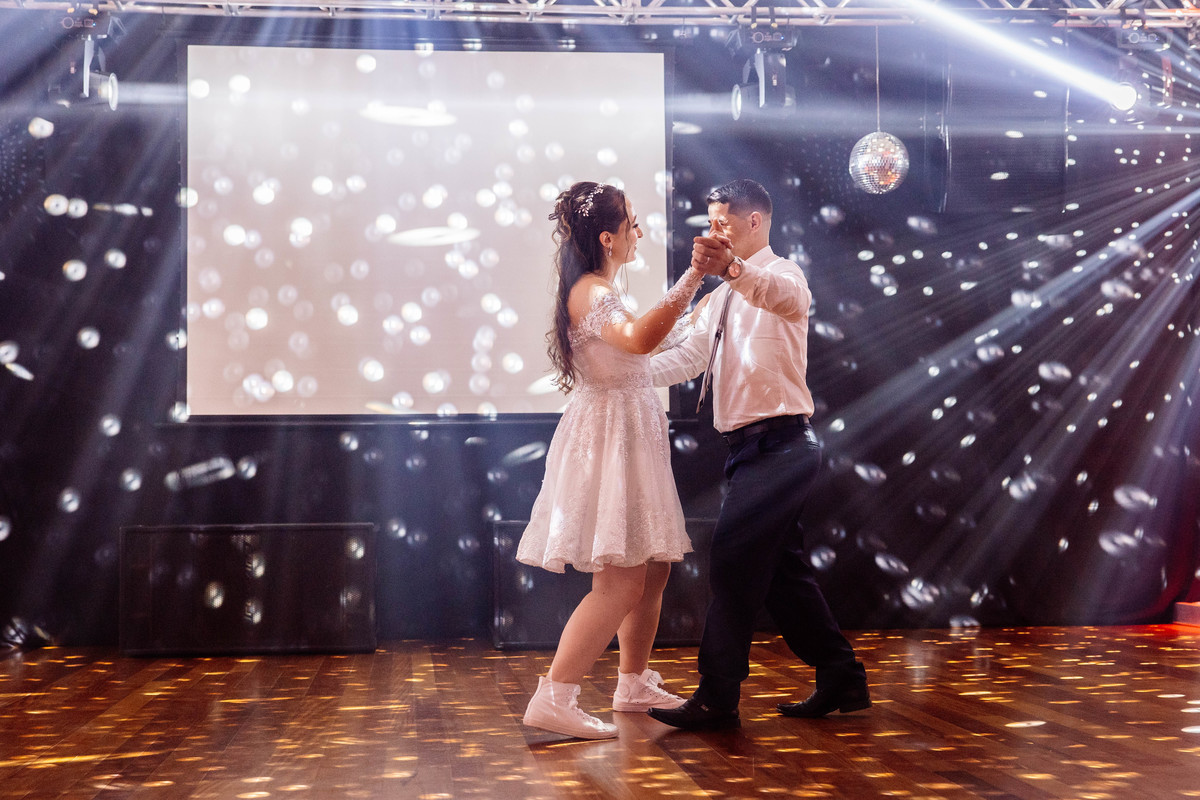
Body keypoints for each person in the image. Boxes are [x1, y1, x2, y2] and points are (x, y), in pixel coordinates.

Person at [645, 179, 869, 730]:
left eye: (722, 223)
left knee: (732, 564)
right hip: (748, 451)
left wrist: (732, 270)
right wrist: (620, 376)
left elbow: (779, 297)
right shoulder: (721, 296)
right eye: (709, 224)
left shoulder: (783, 274)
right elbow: (689, 359)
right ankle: (841, 674)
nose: (712, 233)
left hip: (782, 446)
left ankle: (717, 697)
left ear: (753, 222)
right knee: (783, 577)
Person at [517, 181, 706, 739]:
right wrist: (694, 278)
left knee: (653, 567)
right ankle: (555, 696)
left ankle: (633, 682)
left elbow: (643, 357)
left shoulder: (599, 290)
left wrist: (701, 316)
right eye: (632, 222)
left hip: (627, 436)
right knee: (620, 582)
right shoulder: (592, 292)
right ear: (608, 236)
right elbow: (641, 340)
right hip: (609, 442)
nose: (639, 231)